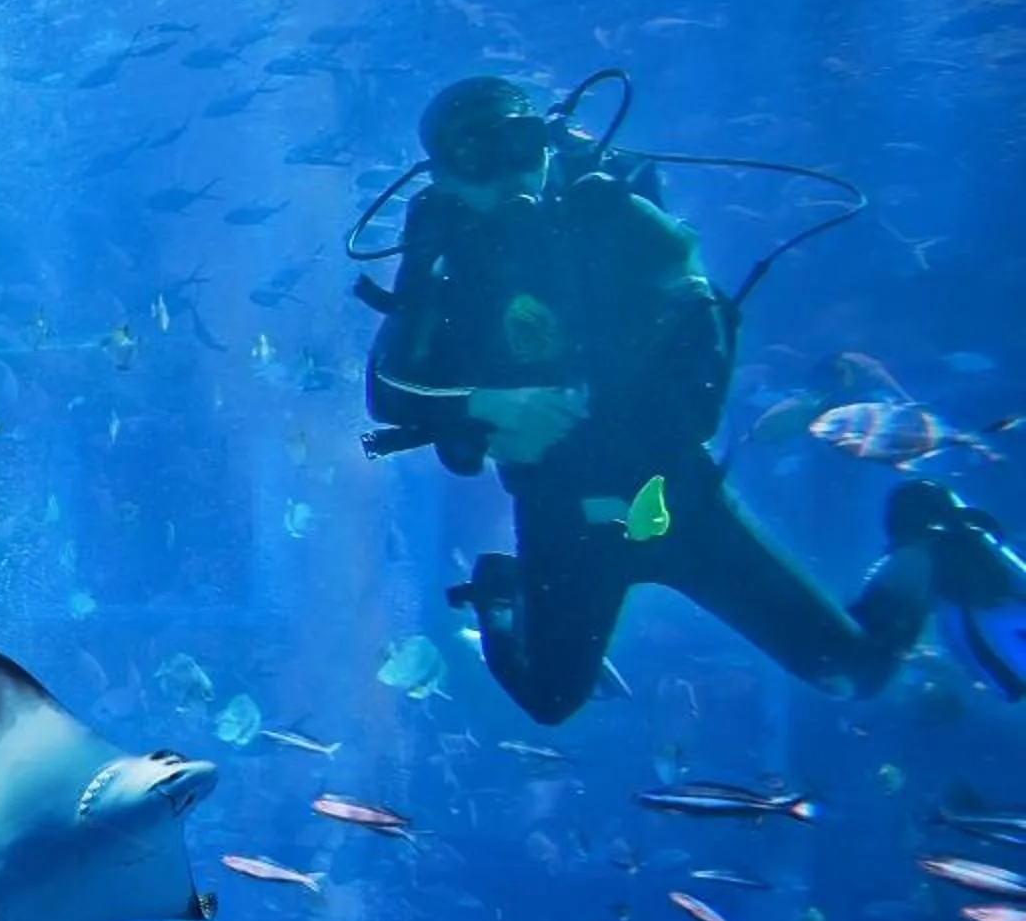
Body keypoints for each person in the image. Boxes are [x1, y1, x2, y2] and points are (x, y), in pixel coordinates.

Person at [364, 76, 1022, 724]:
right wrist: (491, 406)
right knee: (549, 700)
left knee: (853, 673)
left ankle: (931, 542)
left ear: (545, 140)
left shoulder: (610, 209)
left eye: (522, 147)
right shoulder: (440, 252)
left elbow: (701, 365)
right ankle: (501, 592)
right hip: (561, 510)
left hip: (674, 492)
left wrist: (588, 407)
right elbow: (389, 393)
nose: (510, 177)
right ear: (445, 177)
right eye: (480, 161)